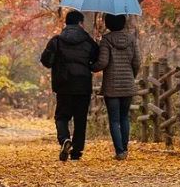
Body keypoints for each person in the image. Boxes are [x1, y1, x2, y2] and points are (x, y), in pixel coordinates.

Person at [40, 10, 98, 161]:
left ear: (66, 23)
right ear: (80, 23)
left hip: (63, 84)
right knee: (80, 119)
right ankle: (77, 152)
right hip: (83, 85)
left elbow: (46, 61)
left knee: (62, 116)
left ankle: (65, 139)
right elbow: (97, 59)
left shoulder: (56, 41)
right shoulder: (88, 41)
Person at [92, 14, 140, 160]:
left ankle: (119, 151)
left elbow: (103, 63)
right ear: (123, 23)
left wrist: (91, 67)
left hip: (111, 87)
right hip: (127, 85)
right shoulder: (132, 39)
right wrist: (132, 76)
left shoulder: (106, 40)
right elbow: (137, 62)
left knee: (114, 119)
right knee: (124, 117)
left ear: (108, 23)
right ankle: (125, 149)